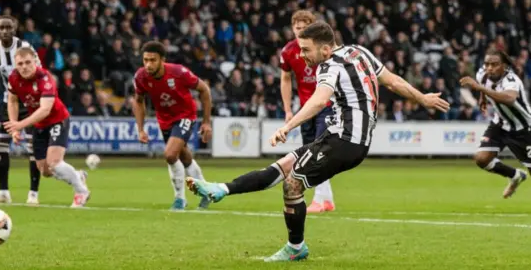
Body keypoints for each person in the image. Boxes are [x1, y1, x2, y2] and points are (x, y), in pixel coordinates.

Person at [187, 21, 449, 261]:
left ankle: (296, 248)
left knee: (292, 185)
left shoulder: (329, 66)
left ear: (325, 49)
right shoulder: (359, 52)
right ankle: (221, 189)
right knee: (283, 166)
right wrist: (422, 98)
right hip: (339, 137)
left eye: (306, 50)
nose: (301, 56)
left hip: (346, 141)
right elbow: (392, 81)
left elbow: (320, 99)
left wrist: (288, 126)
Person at [460, 49, 531, 212]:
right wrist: (482, 98)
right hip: (500, 124)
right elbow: (483, 87)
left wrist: (479, 88)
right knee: (481, 159)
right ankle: (515, 175)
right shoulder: (482, 73)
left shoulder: (511, 81)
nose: (489, 68)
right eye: (487, 64)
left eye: (494, 64)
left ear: (503, 66)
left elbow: (509, 99)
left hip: (523, 128)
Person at [3, 47, 90, 208]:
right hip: (38, 125)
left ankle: (81, 192)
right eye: (20, 63)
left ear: (35, 61)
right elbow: (12, 101)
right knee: (45, 171)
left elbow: (45, 109)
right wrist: (15, 128)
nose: (24, 67)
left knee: (55, 162)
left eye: (28, 62)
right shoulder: (14, 78)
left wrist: (20, 124)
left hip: (57, 120)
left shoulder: (45, 78)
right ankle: (77, 176)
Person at [133, 41, 213, 210]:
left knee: (170, 154)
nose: (148, 64)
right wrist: (140, 129)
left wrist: (206, 122)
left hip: (185, 116)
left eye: (153, 60)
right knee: (183, 157)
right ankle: (207, 192)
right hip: (164, 120)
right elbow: (139, 101)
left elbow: (204, 90)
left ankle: (179, 199)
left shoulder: (178, 72)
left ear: (162, 59)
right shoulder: (140, 77)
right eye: (145, 60)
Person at [281, 10, 336, 213]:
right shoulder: (288, 52)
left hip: (327, 104)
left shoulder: (323, 50)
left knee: (318, 151)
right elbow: (285, 80)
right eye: (297, 28)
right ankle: (327, 199)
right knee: (310, 151)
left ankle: (319, 199)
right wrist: (288, 110)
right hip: (306, 108)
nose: (299, 31)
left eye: (304, 28)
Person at [0, 15, 41, 205]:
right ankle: (3, 192)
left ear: (15, 29)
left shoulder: (25, 48)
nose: (5, 31)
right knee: (0, 145)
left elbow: (40, 74)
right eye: (2, 28)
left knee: (33, 148)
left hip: (30, 102)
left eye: (9, 27)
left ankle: (33, 194)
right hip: (9, 102)